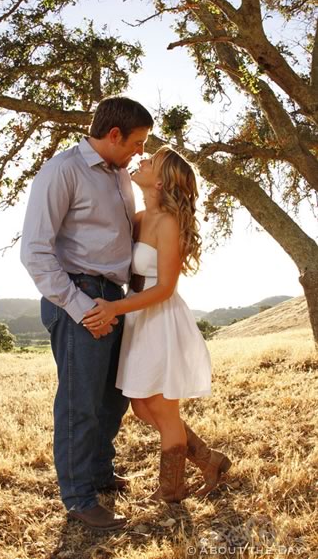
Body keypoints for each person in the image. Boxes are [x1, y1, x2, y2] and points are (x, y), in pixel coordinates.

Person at [20, 96, 154, 531]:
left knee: (113, 396)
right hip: (79, 296)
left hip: (113, 297)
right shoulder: (62, 171)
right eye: (137, 142)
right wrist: (82, 309)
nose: (140, 151)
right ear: (113, 134)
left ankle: (98, 471)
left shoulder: (120, 177)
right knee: (80, 404)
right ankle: (79, 498)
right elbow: (35, 252)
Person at [83, 146, 232, 502]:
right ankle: (210, 460)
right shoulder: (138, 217)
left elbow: (165, 288)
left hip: (159, 318)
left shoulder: (168, 221)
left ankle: (171, 492)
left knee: (163, 410)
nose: (142, 160)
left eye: (150, 162)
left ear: (162, 180)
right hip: (137, 317)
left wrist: (114, 307)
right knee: (141, 406)